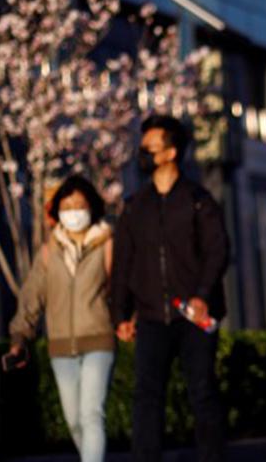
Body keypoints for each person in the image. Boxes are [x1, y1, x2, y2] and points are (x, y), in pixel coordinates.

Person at [110, 115, 230, 461]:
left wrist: (202, 295)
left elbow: (218, 250)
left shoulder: (198, 199)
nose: (143, 154)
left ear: (171, 152)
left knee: (203, 392)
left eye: (151, 148)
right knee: (146, 396)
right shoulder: (135, 206)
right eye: (143, 148)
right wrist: (121, 314)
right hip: (150, 317)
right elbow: (123, 263)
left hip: (194, 316)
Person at [6, 175, 115, 462]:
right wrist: (19, 337)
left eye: (79, 205)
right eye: (66, 207)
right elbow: (31, 297)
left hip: (99, 340)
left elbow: (123, 289)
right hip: (61, 346)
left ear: (92, 207)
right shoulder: (48, 252)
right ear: (57, 212)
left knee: (92, 414)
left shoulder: (107, 245)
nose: (73, 212)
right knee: (74, 421)